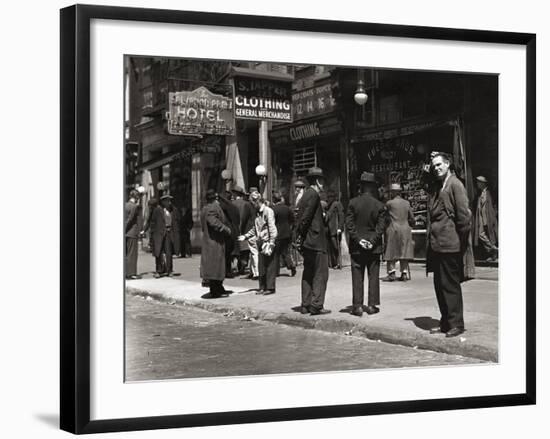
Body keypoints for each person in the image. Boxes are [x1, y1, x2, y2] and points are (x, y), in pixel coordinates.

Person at [426, 152, 472, 338]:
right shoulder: (439, 185)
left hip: (450, 244)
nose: (436, 168)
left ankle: (456, 323)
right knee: (440, 285)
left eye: (439, 165)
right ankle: (445, 322)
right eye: (434, 166)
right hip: (438, 245)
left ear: (448, 164)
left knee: (450, 286)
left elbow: (464, 216)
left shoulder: (455, 184)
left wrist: (460, 241)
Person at [345, 172, 386, 317]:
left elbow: (349, 225)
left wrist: (358, 240)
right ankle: (372, 305)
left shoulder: (352, 203)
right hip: (373, 247)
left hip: (357, 247)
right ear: (373, 187)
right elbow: (381, 227)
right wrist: (372, 241)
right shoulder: (379, 205)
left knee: (357, 275)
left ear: (361, 187)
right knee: (373, 275)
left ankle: (357, 306)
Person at [295, 167, 330, 315]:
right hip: (315, 241)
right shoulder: (314, 195)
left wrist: (300, 237)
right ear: (317, 181)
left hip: (307, 242)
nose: (323, 184)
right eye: (322, 180)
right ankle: (316, 305)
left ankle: (305, 304)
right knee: (321, 273)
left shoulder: (304, 195)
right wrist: (303, 234)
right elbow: (305, 218)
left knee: (308, 273)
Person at [239, 193, 278, 295]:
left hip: (267, 242)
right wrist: (246, 236)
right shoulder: (257, 213)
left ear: (257, 201)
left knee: (269, 265)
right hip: (260, 241)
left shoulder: (268, 211)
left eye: (253, 203)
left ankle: (270, 287)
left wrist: (272, 242)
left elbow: (272, 227)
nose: (252, 205)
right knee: (261, 266)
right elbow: (255, 228)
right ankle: (262, 286)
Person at [200, 190, 233, 298]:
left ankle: (218, 287)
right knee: (215, 266)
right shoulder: (212, 208)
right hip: (214, 241)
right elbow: (213, 222)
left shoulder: (205, 208)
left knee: (217, 265)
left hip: (213, 241)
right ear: (216, 198)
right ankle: (215, 289)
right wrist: (226, 229)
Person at [382, 183, 415, 282]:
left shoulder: (389, 203)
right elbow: (412, 217)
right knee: (403, 250)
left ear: (392, 192)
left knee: (391, 250)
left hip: (393, 228)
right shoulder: (407, 203)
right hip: (405, 228)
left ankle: (391, 273)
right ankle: (404, 273)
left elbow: (384, 215)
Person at [149, 194, 180, 278]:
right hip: (159, 233)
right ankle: (158, 270)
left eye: (170, 201)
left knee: (168, 252)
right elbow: (152, 223)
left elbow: (177, 222)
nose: (169, 202)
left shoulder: (174, 210)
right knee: (158, 252)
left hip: (169, 233)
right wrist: (152, 234)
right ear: (163, 202)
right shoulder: (157, 210)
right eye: (167, 201)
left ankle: (169, 270)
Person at [473, 175, 498, 261]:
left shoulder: (490, 192)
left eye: (478, 182)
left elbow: (494, 204)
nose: (477, 184)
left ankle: (493, 255)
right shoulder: (479, 194)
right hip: (481, 218)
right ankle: (493, 249)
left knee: (491, 235)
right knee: (481, 234)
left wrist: (494, 214)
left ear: (483, 183)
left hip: (489, 217)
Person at [272, 191, 296, 277]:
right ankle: (291, 266)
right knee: (286, 252)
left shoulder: (273, 209)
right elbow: (293, 220)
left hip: (277, 234)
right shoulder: (287, 208)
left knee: (276, 254)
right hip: (287, 233)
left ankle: (275, 271)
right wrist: (290, 229)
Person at [231, 185, 254, 275]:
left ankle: (240, 263)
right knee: (245, 248)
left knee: (237, 247)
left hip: (235, 227)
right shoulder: (246, 204)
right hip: (245, 228)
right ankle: (244, 262)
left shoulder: (232, 204)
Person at [218, 191, 240, 279]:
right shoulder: (234, 207)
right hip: (234, 231)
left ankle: (225, 271)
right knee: (229, 254)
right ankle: (228, 270)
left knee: (225, 253)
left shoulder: (223, 207)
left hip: (227, 232)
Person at [125, 189, 143, 279]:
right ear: (136, 197)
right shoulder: (134, 207)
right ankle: (131, 273)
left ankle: (126, 272)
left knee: (126, 253)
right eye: (138, 196)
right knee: (132, 254)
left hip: (126, 233)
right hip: (132, 232)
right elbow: (130, 219)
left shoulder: (125, 205)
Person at [326, 190, 344, 269]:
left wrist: (340, 228)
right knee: (332, 247)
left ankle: (338, 263)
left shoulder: (337, 204)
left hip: (335, 229)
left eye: (330, 197)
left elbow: (341, 216)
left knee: (336, 246)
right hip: (330, 229)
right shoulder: (329, 205)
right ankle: (334, 263)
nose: (328, 199)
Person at [245, 187, 260, 280]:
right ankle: (252, 271)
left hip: (251, 229)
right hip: (258, 229)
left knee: (254, 252)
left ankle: (256, 273)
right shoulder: (259, 204)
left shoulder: (248, 205)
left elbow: (244, 218)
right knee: (253, 251)